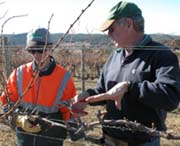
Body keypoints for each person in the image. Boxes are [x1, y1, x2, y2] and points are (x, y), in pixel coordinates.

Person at [72, 1, 180, 146]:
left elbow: (170, 98)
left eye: (111, 29)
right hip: (110, 139)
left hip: (142, 143)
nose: (108, 34)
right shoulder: (114, 56)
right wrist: (87, 97)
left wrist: (130, 88)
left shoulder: (161, 55)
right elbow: (103, 90)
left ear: (129, 24)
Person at [0, 27, 76, 146]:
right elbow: (7, 101)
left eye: (40, 50)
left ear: (50, 47)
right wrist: (18, 117)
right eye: (32, 50)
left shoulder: (64, 77)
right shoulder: (19, 73)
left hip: (51, 137)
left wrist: (73, 129)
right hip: (25, 138)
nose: (36, 55)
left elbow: (70, 110)